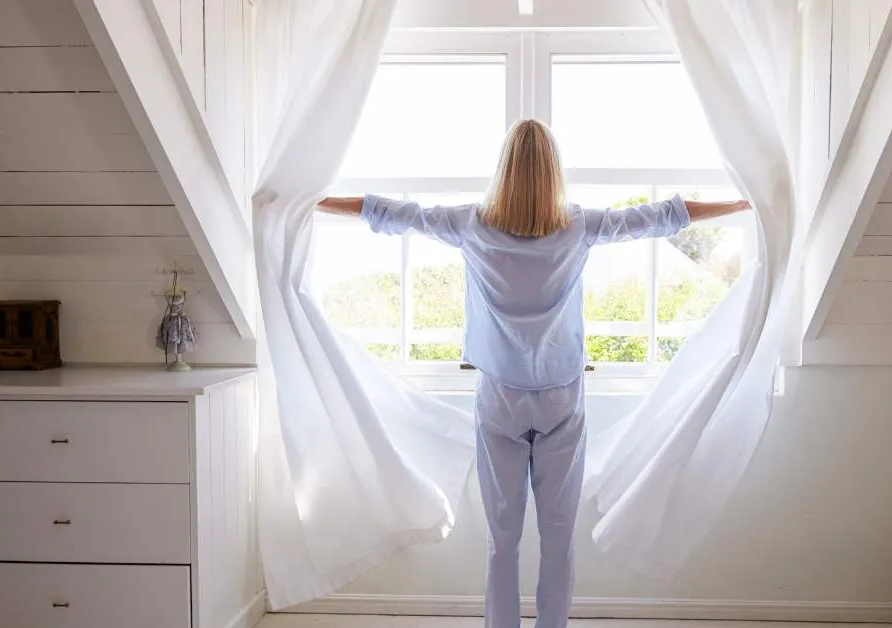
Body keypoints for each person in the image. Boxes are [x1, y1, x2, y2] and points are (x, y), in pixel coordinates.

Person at [317, 118, 750, 628]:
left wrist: (314, 201)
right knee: (558, 538)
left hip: (499, 398)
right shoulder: (579, 227)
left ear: (503, 171)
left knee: (502, 540)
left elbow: (390, 213)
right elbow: (661, 217)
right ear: (553, 173)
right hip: (561, 399)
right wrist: (742, 203)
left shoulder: (470, 225)